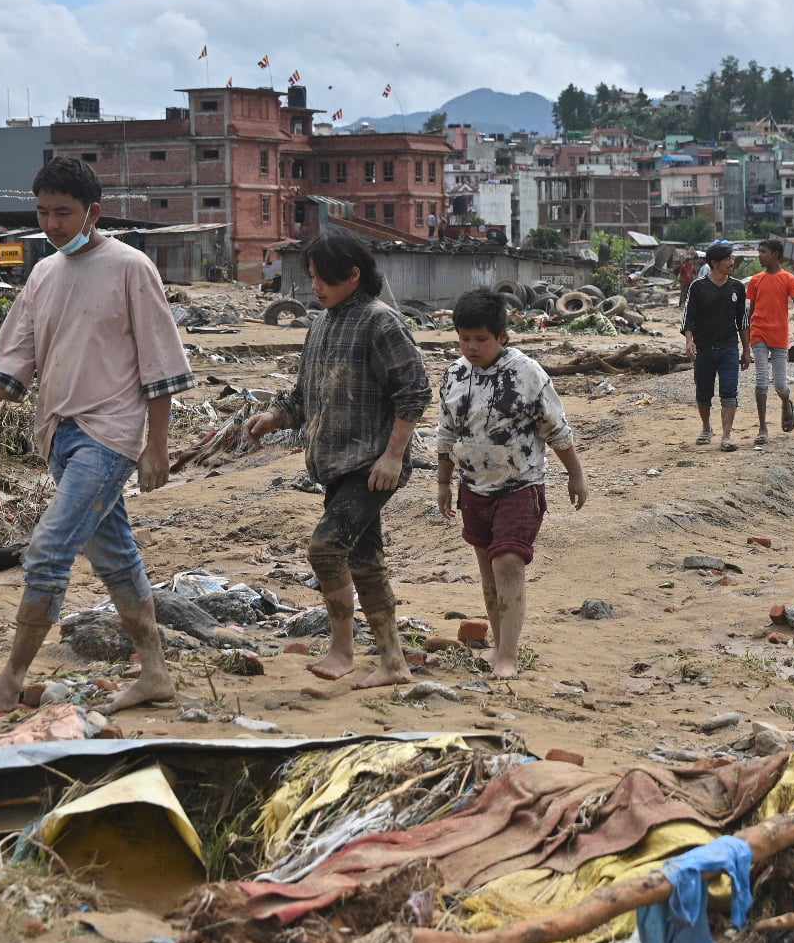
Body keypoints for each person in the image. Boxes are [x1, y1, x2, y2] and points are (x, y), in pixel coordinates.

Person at [0, 156, 194, 714]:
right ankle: (154, 674)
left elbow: (160, 365)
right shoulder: (44, 274)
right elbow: (13, 364)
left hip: (110, 435)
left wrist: (157, 445)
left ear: (91, 213)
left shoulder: (130, 268)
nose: (52, 225)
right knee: (116, 556)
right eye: (44, 212)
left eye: (64, 213)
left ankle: (9, 679)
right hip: (59, 433)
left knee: (48, 550)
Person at [246, 227, 430, 690]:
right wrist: (273, 417)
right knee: (366, 559)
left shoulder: (380, 322)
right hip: (333, 463)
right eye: (311, 278)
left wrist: (393, 456)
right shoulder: (323, 323)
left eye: (322, 279)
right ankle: (392, 661)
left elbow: (415, 391)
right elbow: (304, 397)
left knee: (326, 549)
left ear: (352, 275)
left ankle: (342, 649)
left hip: (370, 465)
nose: (315, 287)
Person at [436, 289, 586, 680]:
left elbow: (555, 428)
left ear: (502, 336)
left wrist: (576, 473)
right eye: (464, 338)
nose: (471, 347)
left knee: (508, 562)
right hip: (474, 488)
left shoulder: (527, 374)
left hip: (520, 486)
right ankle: (498, 643)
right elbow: (447, 433)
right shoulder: (454, 375)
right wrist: (443, 482)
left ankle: (508, 656)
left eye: (480, 339)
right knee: (487, 569)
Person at [682, 242, 749, 451]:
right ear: (714, 262)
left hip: (729, 347)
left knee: (729, 391)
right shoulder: (698, 286)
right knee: (703, 393)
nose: (732, 262)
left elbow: (743, 321)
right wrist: (689, 340)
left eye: (732, 258)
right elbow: (688, 317)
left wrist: (746, 350)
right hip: (704, 348)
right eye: (728, 259)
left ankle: (727, 436)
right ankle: (706, 427)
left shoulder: (737, 287)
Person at [744, 239, 794, 450]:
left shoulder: (788, 278)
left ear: (776, 255)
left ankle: (785, 402)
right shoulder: (755, 280)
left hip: (780, 337)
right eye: (759, 251)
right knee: (761, 381)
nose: (759, 255)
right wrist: (744, 339)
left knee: (780, 385)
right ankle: (762, 428)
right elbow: (750, 310)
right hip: (758, 334)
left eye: (763, 252)